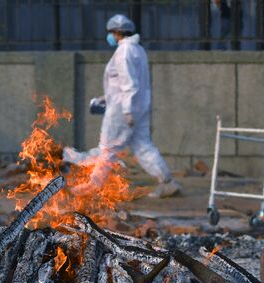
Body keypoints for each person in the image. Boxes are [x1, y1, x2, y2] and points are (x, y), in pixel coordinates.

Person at [65, 14, 181, 198]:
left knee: (108, 149)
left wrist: (126, 110)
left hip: (123, 109)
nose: (109, 36)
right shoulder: (138, 50)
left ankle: (93, 186)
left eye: (111, 32)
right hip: (138, 106)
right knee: (143, 146)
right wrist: (107, 97)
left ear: (118, 32)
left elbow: (129, 83)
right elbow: (129, 83)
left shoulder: (123, 52)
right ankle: (168, 182)